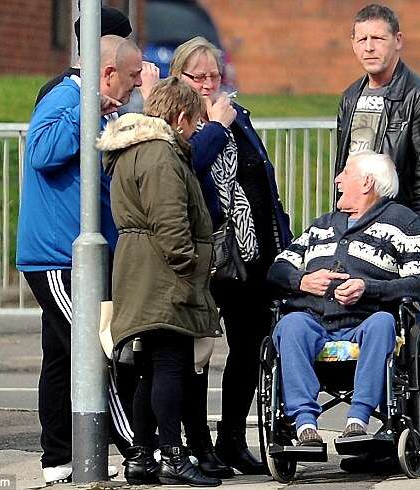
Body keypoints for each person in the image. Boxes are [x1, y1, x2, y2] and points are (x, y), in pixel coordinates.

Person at [15, 35, 143, 485]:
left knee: (61, 357)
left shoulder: (97, 104)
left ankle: (58, 459)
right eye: (131, 76)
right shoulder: (66, 97)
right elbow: (42, 152)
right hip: (57, 257)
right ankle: (135, 449)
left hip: (77, 255)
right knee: (93, 349)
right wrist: (88, 110)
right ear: (107, 74)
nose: (136, 85)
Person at [170, 36, 292, 475]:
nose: (207, 84)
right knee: (198, 353)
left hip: (250, 254)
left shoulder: (237, 116)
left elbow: (261, 177)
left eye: (213, 76)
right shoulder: (177, 120)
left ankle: (233, 438)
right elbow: (184, 167)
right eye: (197, 76)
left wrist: (281, 237)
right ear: (179, 77)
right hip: (206, 257)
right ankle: (198, 446)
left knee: (250, 348)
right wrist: (216, 127)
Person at [96, 76, 222, 487]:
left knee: (149, 368)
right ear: (181, 117)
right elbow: (171, 223)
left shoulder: (130, 151)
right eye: (194, 125)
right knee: (170, 365)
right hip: (163, 272)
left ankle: (141, 456)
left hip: (137, 268)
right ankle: (171, 453)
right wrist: (190, 268)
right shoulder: (161, 156)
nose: (194, 133)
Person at [268, 150, 420, 447]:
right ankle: (305, 425)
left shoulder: (402, 222)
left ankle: (357, 421)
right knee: (291, 326)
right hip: (314, 321)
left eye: (345, 173)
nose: (337, 179)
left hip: (365, 323)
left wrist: (367, 288)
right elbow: (279, 269)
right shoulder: (322, 225)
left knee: (383, 323)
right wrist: (303, 281)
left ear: (367, 182)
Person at [335, 4, 420, 333]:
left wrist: (414, 237)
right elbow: (344, 169)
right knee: (364, 321)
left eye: (378, 38)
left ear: (398, 40)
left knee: (415, 326)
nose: (369, 47)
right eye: (362, 39)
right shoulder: (350, 97)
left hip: (407, 232)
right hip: (358, 231)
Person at [35, 6, 160, 112]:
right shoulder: (62, 92)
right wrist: (151, 97)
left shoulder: (53, 87)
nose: (129, 48)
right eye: (124, 41)